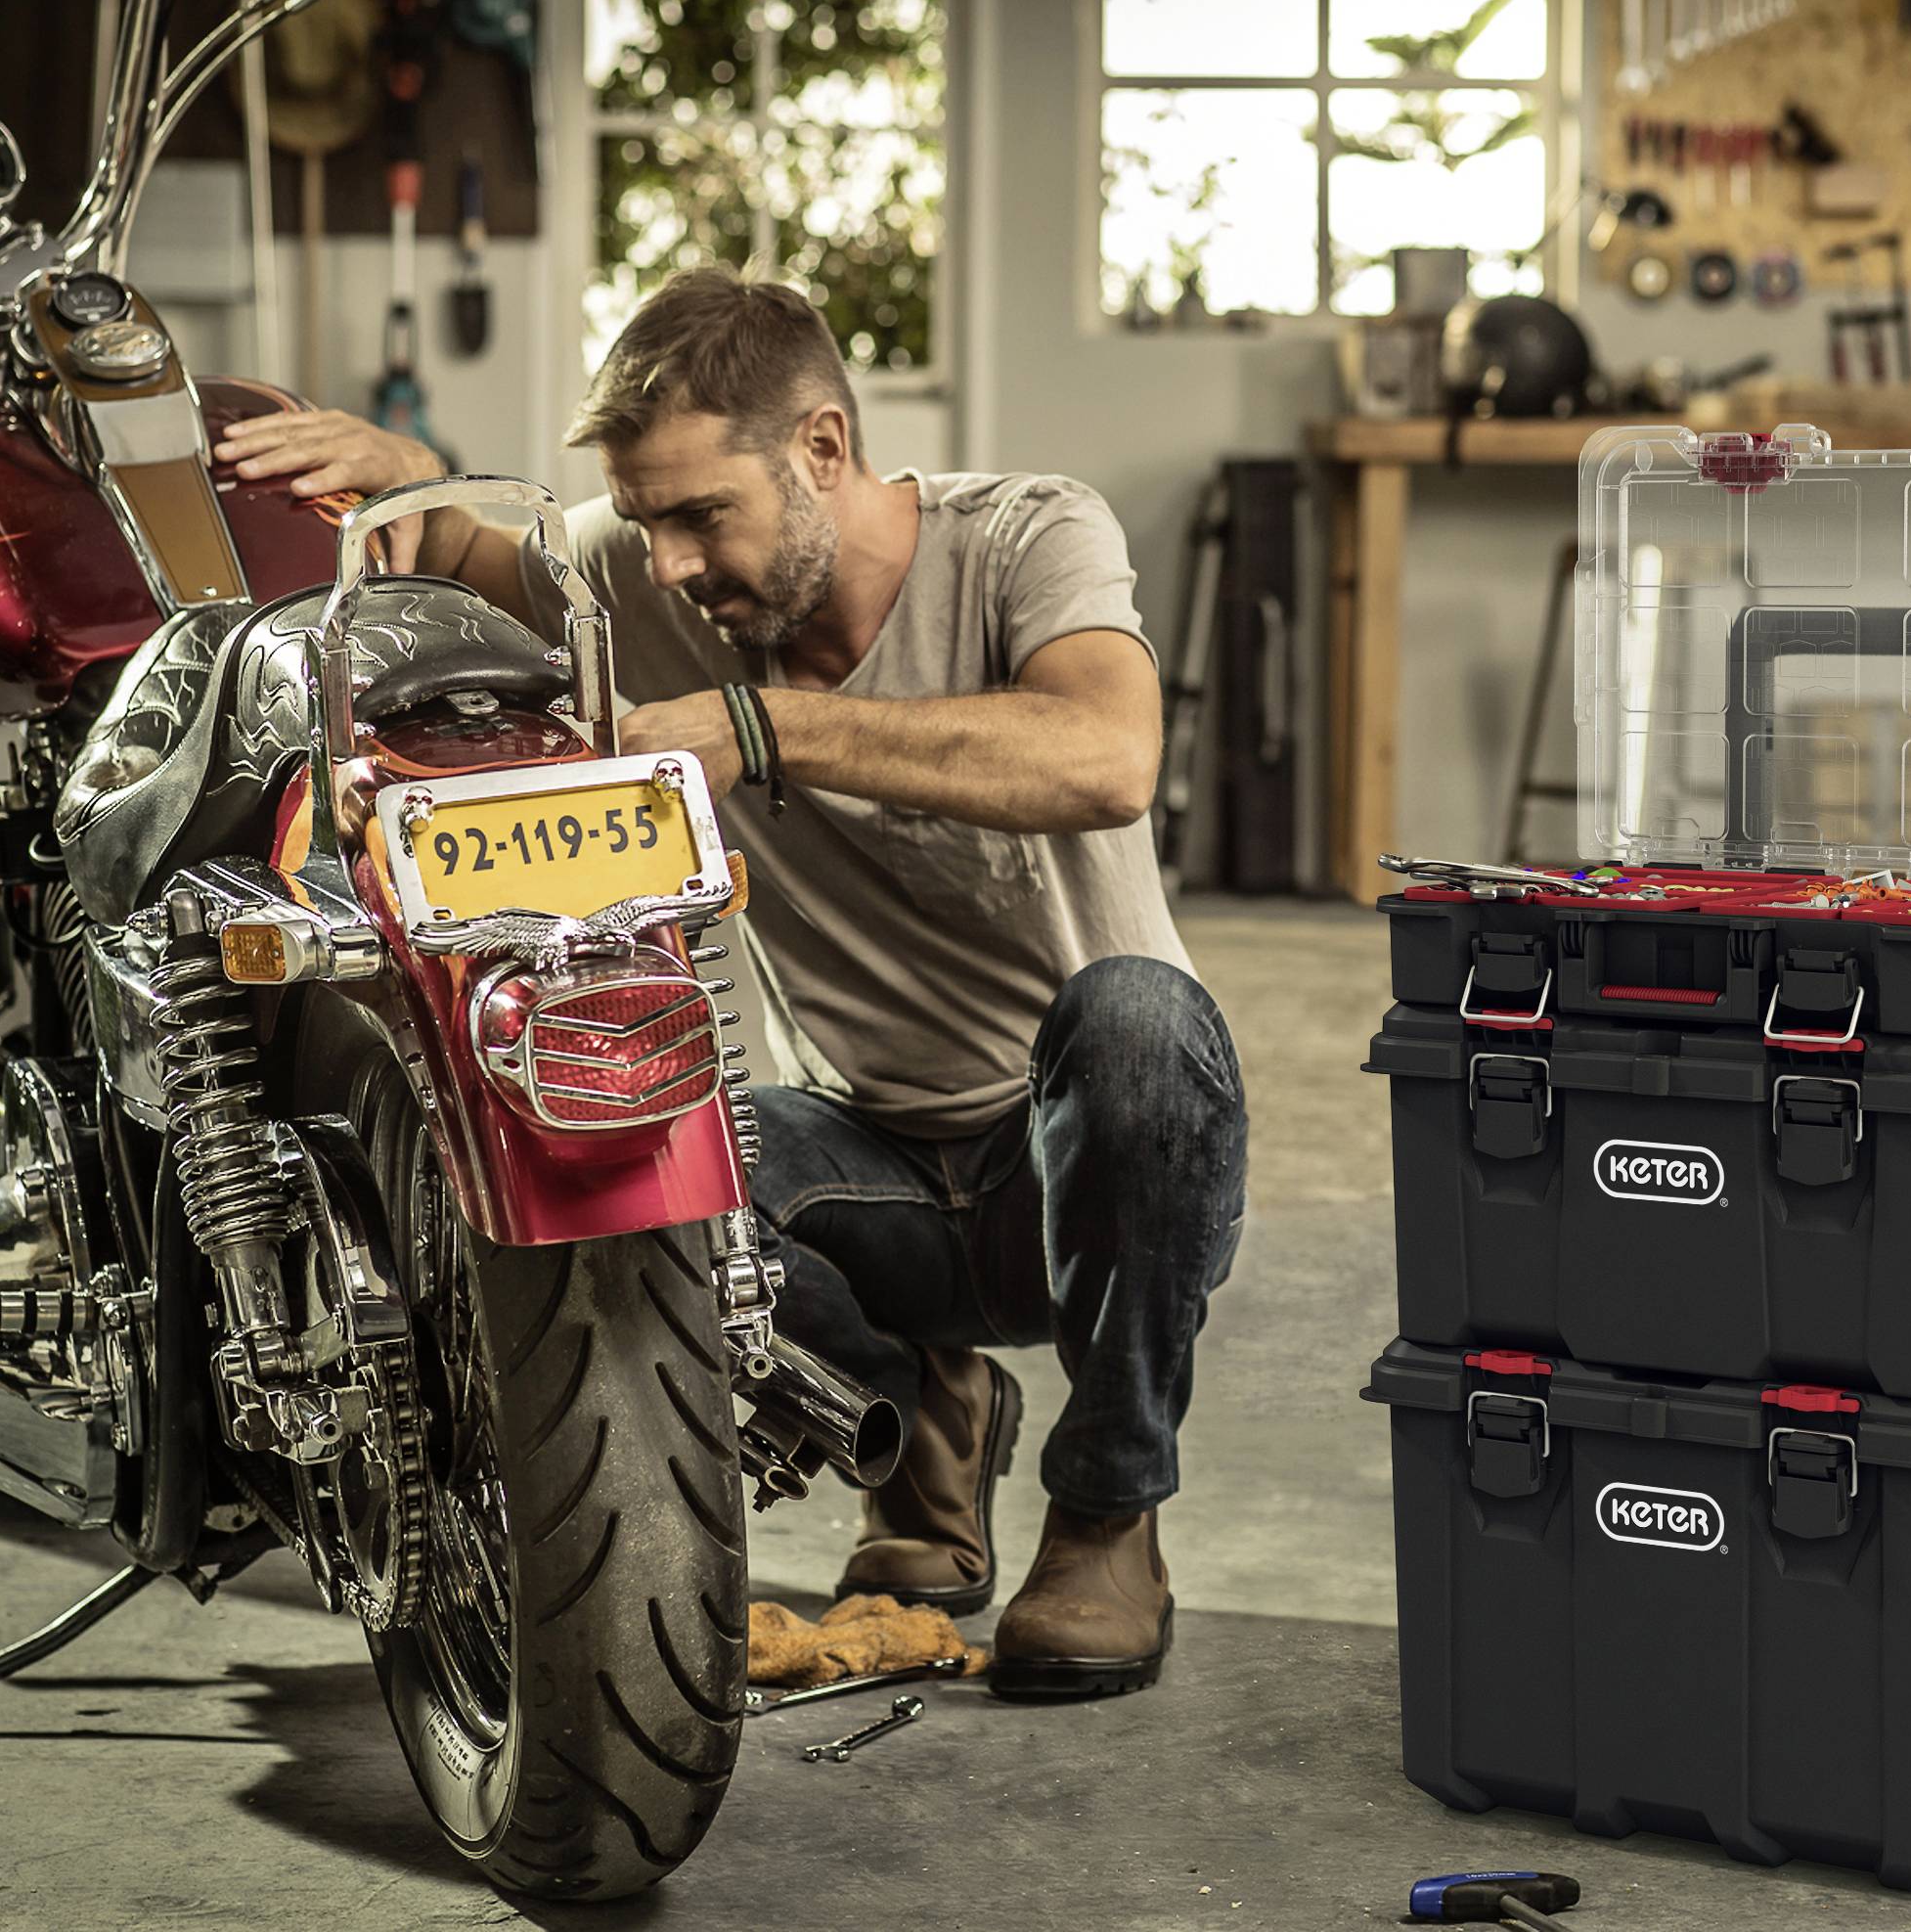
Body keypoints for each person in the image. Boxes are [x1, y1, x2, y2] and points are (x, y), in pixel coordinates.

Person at [216, 270, 1246, 1698]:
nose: (674, 563)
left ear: (823, 449)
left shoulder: (1028, 534)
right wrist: (406, 479)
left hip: (1064, 1154)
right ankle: (921, 1417)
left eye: (705, 513)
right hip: (869, 1157)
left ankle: (1110, 1512)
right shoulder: (646, 576)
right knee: (636, 1145)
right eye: (647, 521)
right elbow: (469, 545)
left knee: (1139, 1022)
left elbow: (1106, 758)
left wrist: (762, 730)